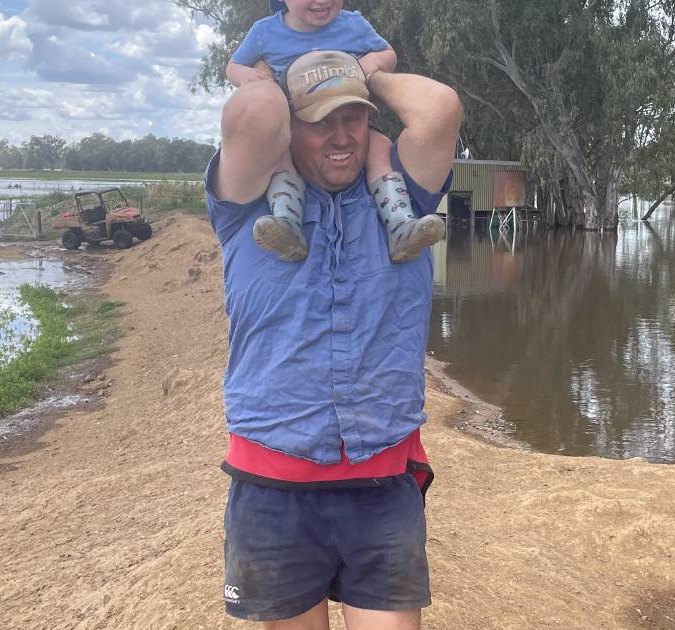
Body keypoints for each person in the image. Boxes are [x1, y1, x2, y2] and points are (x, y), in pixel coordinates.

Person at [207, 49, 462, 630]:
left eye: (354, 117)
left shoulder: (406, 199)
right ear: (290, 127)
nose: (341, 136)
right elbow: (251, 115)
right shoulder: (248, 204)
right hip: (273, 485)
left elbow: (440, 109)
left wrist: (364, 74)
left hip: (382, 480)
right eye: (319, 121)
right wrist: (278, 78)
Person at [225, 0, 445, 264]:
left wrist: (371, 65)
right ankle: (286, 222)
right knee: (280, 155)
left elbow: (388, 54)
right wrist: (250, 79)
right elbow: (233, 67)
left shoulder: (354, 24)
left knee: (380, 149)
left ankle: (399, 224)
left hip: (351, 112)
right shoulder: (264, 32)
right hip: (298, 122)